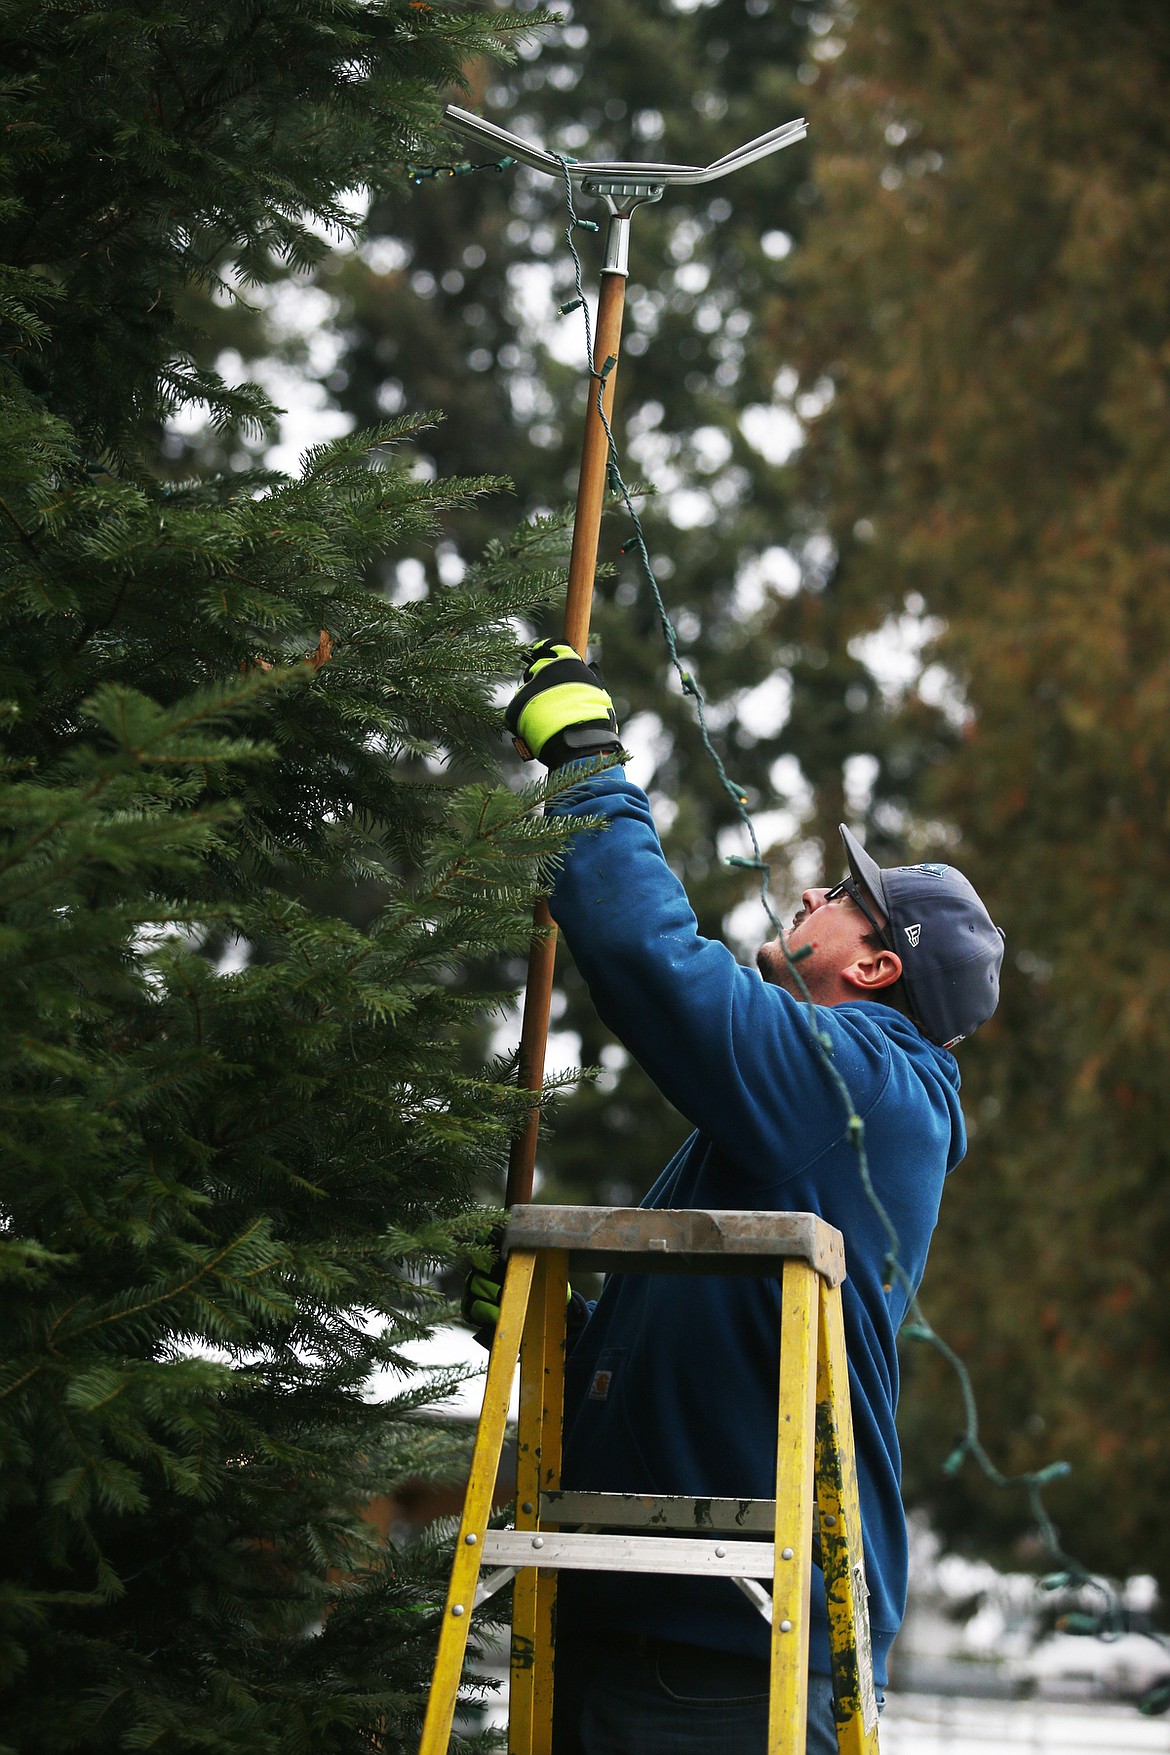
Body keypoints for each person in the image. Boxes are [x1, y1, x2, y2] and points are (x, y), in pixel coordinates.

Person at [471, 642, 1005, 1755]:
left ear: (874, 969)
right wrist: (558, 1344)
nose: (812, 889)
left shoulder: (860, 1086)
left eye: (846, 899)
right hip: (665, 1622)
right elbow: (716, 1348)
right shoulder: (802, 1111)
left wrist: (584, 759)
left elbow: (653, 958)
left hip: (724, 1653)